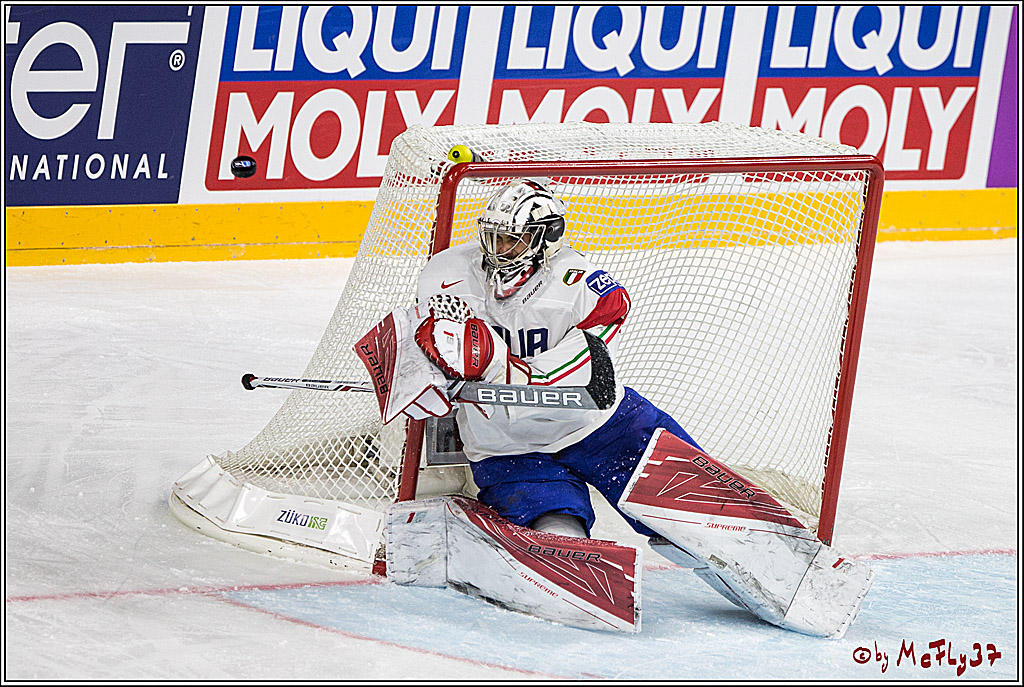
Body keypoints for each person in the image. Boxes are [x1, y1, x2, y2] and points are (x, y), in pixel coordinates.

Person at [412, 177, 702, 540]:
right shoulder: (446, 275)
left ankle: (727, 531)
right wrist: (424, 379)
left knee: (690, 501)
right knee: (560, 530)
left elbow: (598, 344)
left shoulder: (577, 283)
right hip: (507, 443)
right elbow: (421, 341)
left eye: (513, 239)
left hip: (596, 424)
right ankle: (562, 541)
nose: (500, 249)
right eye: (494, 237)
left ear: (546, 237)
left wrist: (509, 370)